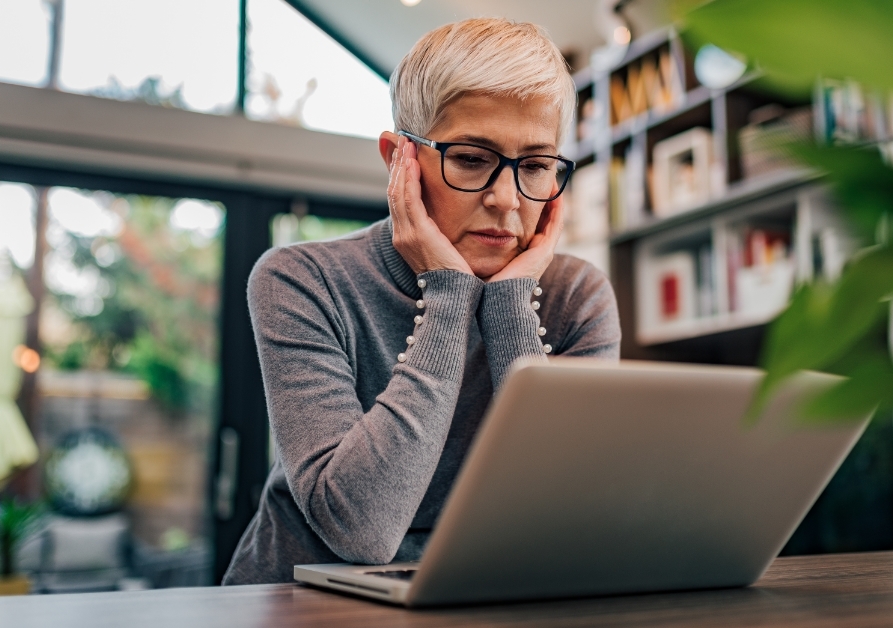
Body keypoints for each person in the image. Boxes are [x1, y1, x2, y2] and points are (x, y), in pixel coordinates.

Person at [222, 17, 620, 585]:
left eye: (534, 166)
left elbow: (575, 512)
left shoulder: (577, 297)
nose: (507, 199)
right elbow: (361, 530)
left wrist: (509, 306)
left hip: (481, 597)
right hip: (297, 601)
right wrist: (449, 294)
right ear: (399, 160)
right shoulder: (301, 280)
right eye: (472, 159)